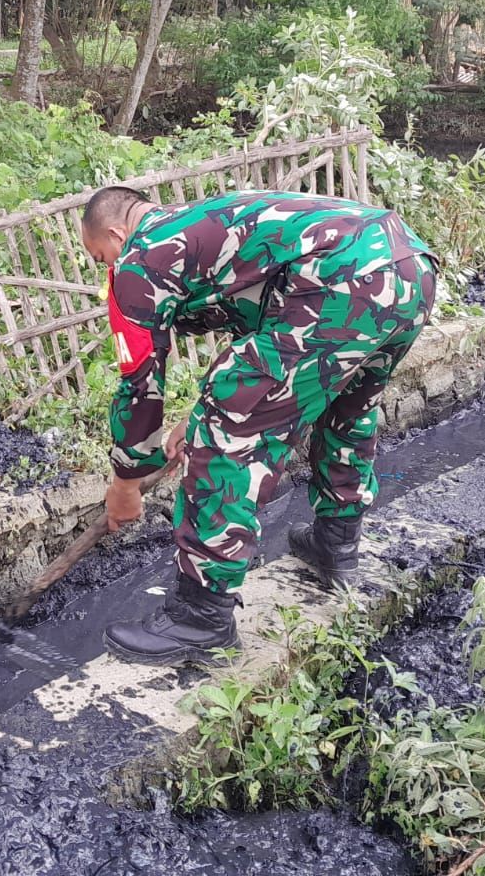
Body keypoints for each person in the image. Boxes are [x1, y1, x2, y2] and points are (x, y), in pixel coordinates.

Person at [82, 187, 437, 666]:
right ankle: (336, 542)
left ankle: (200, 615)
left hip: (340, 280)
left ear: (115, 233)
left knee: (229, 431)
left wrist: (126, 481)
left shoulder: (138, 261)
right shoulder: (204, 222)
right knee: (347, 407)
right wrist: (199, 409)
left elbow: (140, 386)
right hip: (407, 263)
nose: (108, 269)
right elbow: (269, 316)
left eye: (102, 256)